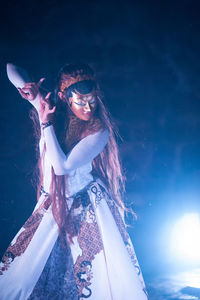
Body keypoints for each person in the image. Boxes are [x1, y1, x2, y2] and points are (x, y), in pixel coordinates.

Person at [0, 63, 148, 299]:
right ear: (64, 98)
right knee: (22, 277)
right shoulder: (51, 112)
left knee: (95, 280)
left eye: (92, 100)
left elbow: (62, 167)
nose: (88, 108)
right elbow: (10, 68)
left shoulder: (99, 130)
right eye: (81, 102)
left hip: (84, 208)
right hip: (52, 205)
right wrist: (32, 93)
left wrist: (45, 122)